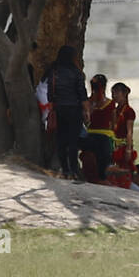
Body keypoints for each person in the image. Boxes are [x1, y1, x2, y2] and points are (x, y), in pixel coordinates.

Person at [47, 46, 89, 181]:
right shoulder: (76, 73)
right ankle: (74, 171)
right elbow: (82, 94)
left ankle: (64, 170)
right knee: (73, 141)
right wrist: (86, 111)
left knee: (61, 140)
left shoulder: (54, 71)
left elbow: (50, 93)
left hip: (59, 109)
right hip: (74, 109)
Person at [83, 73, 117, 182]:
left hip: (89, 135)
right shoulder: (110, 104)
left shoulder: (87, 102)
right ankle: (104, 176)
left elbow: (86, 120)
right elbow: (113, 123)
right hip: (105, 137)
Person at [110, 82, 136, 175]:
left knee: (125, 171)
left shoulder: (129, 111)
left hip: (124, 146)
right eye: (112, 93)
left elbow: (129, 132)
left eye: (116, 93)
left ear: (124, 94)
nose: (113, 96)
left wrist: (128, 149)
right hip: (113, 145)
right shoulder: (114, 110)